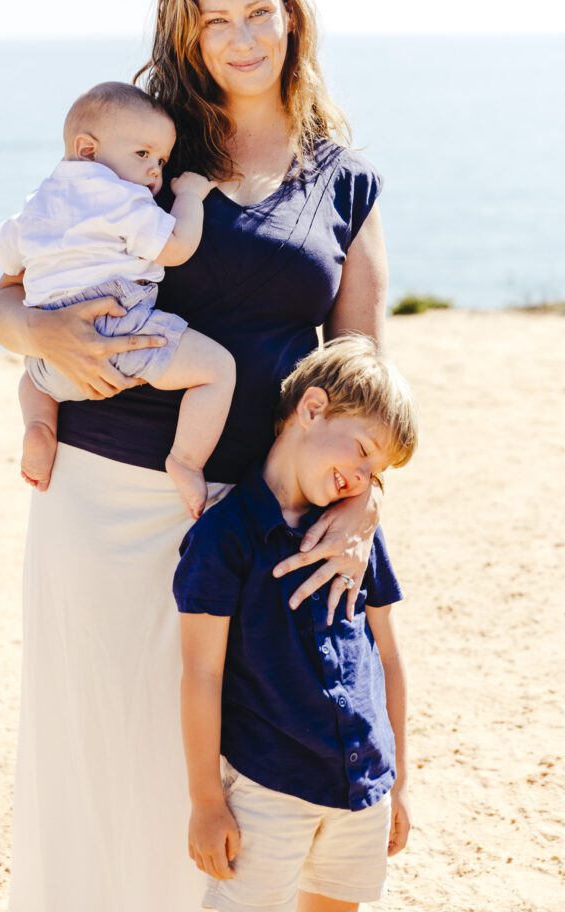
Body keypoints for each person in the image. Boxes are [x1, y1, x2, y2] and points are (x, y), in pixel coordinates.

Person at [0, 0, 391, 912]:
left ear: (289, 16)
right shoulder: (145, 138)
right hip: (102, 495)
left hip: (253, 514)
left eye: (259, 10)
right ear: (188, 31)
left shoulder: (343, 176)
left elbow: (361, 364)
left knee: (226, 767)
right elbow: (5, 296)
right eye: (216, 19)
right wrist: (36, 329)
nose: (242, 35)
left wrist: (364, 499)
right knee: (99, 747)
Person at [175, 335, 416, 912]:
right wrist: (207, 801)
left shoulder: (357, 537)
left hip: (363, 784)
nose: (361, 478)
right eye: (362, 450)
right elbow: (200, 674)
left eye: (375, 471)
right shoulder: (223, 536)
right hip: (266, 787)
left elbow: (387, 656)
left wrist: (400, 780)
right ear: (311, 409)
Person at [0, 81, 235, 518]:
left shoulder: (35, 204)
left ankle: (40, 426)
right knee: (217, 370)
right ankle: (185, 460)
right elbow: (177, 246)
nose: (153, 173)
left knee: (31, 381)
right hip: (119, 324)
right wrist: (190, 197)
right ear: (87, 150)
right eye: (142, 154)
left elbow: (10, 258)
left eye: (160, 160)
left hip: (52, 350)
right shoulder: (120, 197)